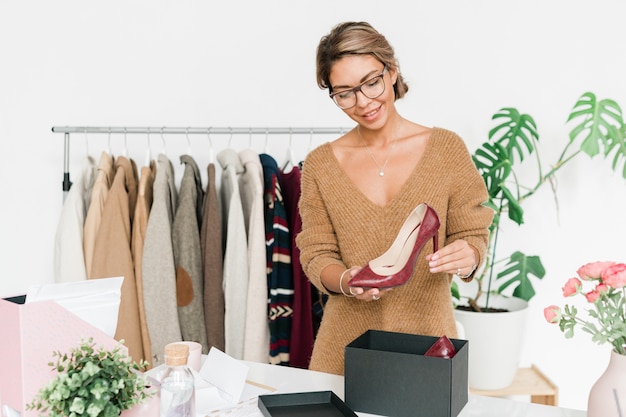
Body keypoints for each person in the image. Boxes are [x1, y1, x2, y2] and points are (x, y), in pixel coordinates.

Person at [295, 21, 494, 375]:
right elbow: (316, 252)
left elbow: (473, 230)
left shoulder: (446, 149)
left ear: (392, 71)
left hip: (428, 347)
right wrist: (347, 280)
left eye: (371, 82)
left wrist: (469, 255)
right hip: (343, 353)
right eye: (345, 93)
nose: (364, 102)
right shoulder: (320, 165)